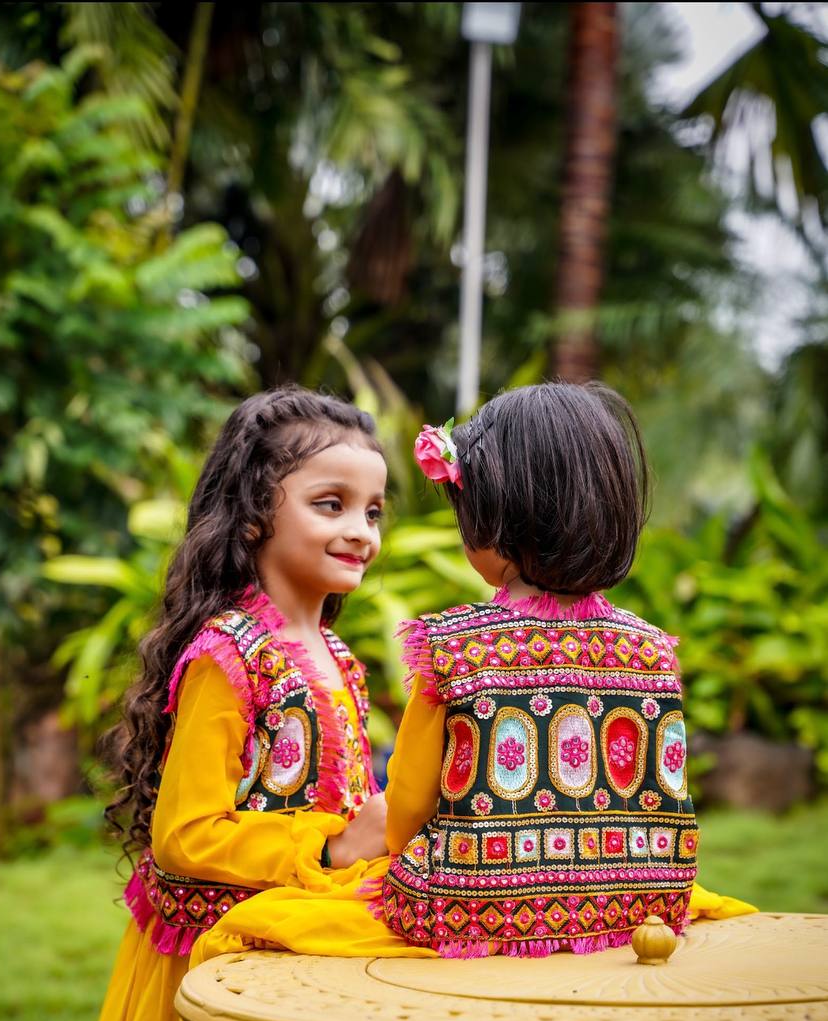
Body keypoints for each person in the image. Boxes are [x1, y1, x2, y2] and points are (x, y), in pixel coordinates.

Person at [7, 387, 420, 1021]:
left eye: (374, 511)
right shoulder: (227, 656)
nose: (361, 530)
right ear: (250, 519)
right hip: (211, 971)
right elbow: (183, 836)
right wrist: (330, 846)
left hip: (296, 950)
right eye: (330, 504)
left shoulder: (338, 656)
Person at [191, 382, 753, 973]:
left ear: (492, 519)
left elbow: (407, 809)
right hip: (636, 906)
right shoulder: (652, 649)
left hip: (469, 908)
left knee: (250, 930)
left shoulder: (453, 647)